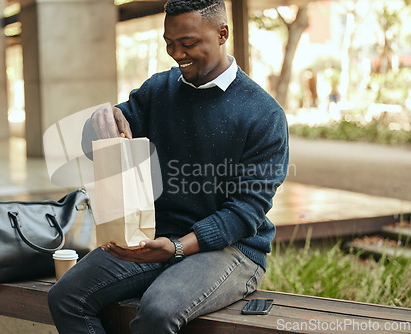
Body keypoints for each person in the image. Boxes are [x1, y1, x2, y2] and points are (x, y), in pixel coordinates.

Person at [48, 0, 289, 333]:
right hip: (153, 238)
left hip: (232, 250)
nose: (177, 53)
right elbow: (101, 142)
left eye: (188, 43)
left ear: (222, 34)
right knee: (65, 296)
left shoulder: (264, 115)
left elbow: (245, 213)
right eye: (169, 43)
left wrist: (178, 248)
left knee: (157, 311)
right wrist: (98, 121)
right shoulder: (157, 90)